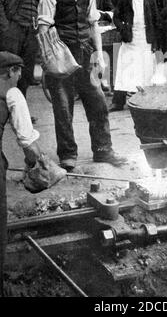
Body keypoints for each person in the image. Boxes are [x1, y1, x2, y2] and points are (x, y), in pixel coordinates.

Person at [38, 0, 128, 170]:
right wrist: (49, 61)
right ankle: (68, 155)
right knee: (63, 108)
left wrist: (98, 52)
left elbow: (93, 24)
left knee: (98, 104)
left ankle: (103, 150)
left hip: (85, 55)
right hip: (61, 56)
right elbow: (43, 29)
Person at [0, 51, 66, 296]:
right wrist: (39, 164)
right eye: (19, 72)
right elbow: (27, 142)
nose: (20, 78)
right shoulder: (13, 93)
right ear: (11, 71)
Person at [0, 0, 50, 98]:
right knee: (8, 71)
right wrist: (6, 29)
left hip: (31, 34)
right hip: (12, 31)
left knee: (25, 73)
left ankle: (20, 108)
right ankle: (4, 112)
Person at [110, 0, 161, 111]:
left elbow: (156, 22)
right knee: (124, 69)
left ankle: (146, 100)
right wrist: (123, 28)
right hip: (130, 40)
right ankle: (118, 102)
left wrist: (155, 43)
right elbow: (116, 17)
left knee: (146, 70)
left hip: (146, 40)